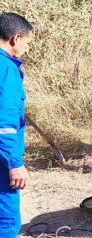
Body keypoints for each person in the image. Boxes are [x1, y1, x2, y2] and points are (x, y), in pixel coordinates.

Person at [0, 12, 33, 237]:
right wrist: (14, 163)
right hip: (2, 158)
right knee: (7, 222)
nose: (27, 49)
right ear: (15, 38)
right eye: (27, 43)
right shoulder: (7, 70)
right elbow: (5, 125)